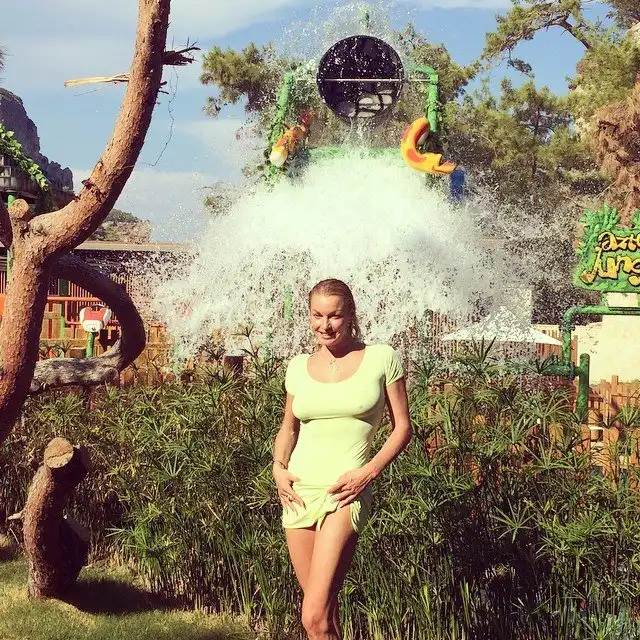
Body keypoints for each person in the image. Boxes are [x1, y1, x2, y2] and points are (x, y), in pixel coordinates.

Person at [272, 278, 412, 640]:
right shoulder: (298, 366)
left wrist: (369, 472)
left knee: (312, 616)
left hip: (345, 492)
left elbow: (403, 428)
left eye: (334, 315)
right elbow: (288, 429)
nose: (325, 325)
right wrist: (278, 468)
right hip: (298, 492)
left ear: (350, 314)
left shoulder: (381, 358)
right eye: (317, 315)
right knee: (323, 617)